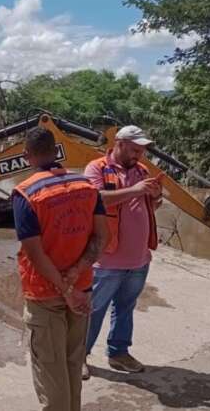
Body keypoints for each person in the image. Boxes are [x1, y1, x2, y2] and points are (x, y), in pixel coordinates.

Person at [13, 127, 110, 411]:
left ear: (26, 156)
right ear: (56, 152)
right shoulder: (87, 187)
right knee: (71, 365)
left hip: (46, 295)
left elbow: (35, 254)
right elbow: (102, 237)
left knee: (51, 373)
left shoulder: (26, 193)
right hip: (82, 291)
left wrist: (65, 289)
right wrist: (76, 275)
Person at [82, 125, 163, 378]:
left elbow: (150, 206)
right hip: (107, 259)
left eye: (141, 151)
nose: (138, 155)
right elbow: (95, 199)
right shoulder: (96, 168)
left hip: (139, 259)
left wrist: (155, 197)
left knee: (126, 308)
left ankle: (118, 353)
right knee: (93, 310)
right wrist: (135, 191)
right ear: (119, 143)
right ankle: (79, 357)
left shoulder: (142, 171)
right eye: (134, 149)